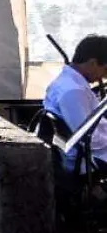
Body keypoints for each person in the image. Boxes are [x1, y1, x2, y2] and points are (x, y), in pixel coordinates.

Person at [43, 33, 107, 171]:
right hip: (88, 158)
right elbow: (89, 138)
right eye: (105, 69)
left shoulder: (68, 82)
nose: (104, 76)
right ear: (93, 63)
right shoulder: (72, 91)